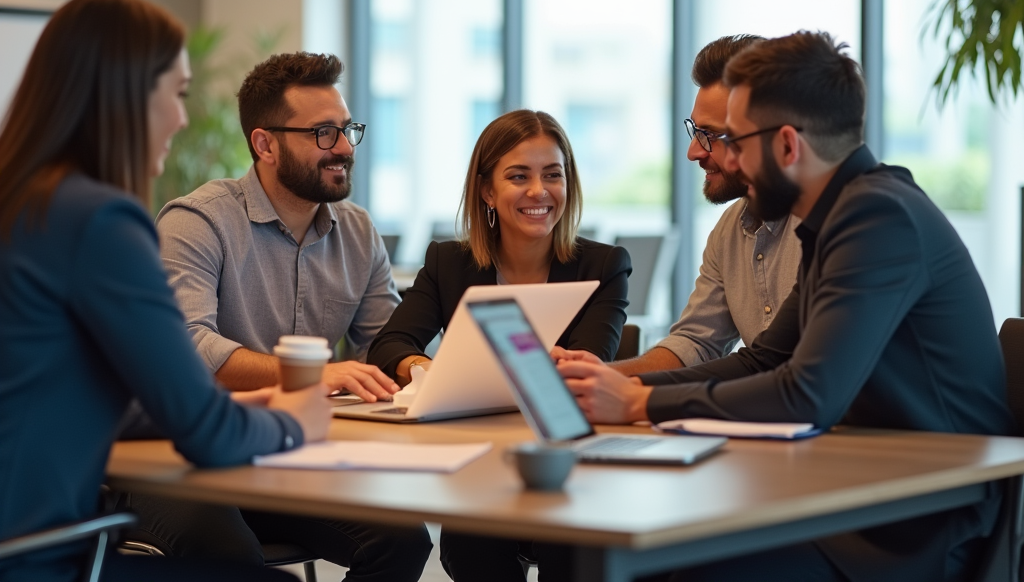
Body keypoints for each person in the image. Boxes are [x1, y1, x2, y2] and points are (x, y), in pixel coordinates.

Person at [558, 31, 1014, 582]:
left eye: (736, 143)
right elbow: (764, 359)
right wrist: (620, 389)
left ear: (788, 147)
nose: (727, 159)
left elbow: (806, 395)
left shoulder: (877, 219)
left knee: (675, 563)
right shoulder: (844, 215)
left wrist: (637, 405)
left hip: (923, 524)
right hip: (862, 492)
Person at [0, 0, 330, 582]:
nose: (182, 118)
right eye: (175, 94)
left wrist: (225, 403)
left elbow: (50, 391)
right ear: (123, 97)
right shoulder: (100, 221)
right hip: (38, 561)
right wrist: (295, 422)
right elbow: (208, 437)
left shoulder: (24, 206)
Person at [118, 52, 432, 579]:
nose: (344, 149)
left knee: (401, 541)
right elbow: (190, 348)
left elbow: (385, 341)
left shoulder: (355, 231)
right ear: (265, 144)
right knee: (231, 557)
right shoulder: (197, 222)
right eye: (323, 134)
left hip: (284, 454)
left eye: (347, 130)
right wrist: (313, 375)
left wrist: (424, 371)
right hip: (177, 458)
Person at [366, 109, 631, 581]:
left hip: (568, 468)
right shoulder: (449, 262)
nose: (539, 191)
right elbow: (390, 345)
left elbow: (588, 364)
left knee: (572, 552)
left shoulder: (605, 265)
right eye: (518, 176)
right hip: (482, 462)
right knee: (473, 550)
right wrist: (426, 370)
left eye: (553, 175)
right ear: (487, 190)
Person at [602, 34, 802, 375]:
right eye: (695, 130)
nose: (693, 151)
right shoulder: (730, 230)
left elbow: (783, 366)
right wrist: (604, 378)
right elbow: (696, 342)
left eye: (711, 135)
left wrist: (634, 394)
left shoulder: (834, 224)